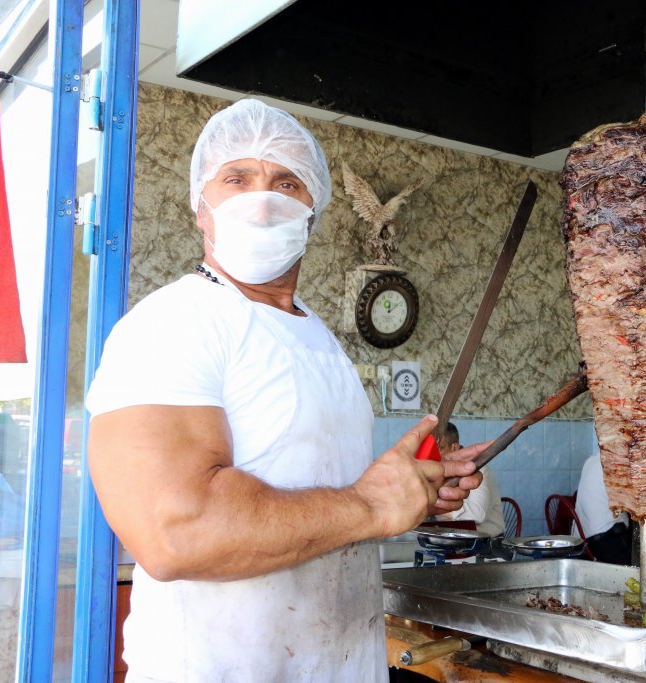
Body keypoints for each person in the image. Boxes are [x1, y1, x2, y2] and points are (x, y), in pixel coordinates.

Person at [85, 99, 484, 683]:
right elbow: (176, 531)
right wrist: (372, 504)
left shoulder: (317, 337)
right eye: (237, 179)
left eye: (287, 182)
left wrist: (409, 488)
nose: (264, 198)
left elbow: (319, 489)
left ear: (311, 212)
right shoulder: (173, 322)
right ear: (202, 207)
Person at [435, 422, 505, 537]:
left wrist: (432, 505)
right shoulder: (438, 473)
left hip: (488, 545)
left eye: (440, 449)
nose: (435, 455)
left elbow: (477, 515)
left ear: (455, 447)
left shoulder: (478, 470)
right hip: (454, 541)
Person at [574, 454, 632, 565]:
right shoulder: (614, 464)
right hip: (604, 542)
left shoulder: (591, 459)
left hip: (582, 540)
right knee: (642, 560)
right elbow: (631, 502)